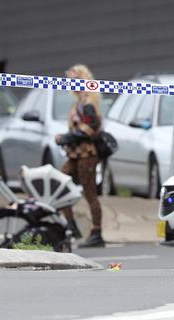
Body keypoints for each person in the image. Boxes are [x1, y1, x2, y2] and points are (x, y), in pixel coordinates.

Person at [59, 65, 105, 248]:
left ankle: (96, 232)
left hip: (86, 154)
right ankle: (72, 226)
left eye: (75, 79)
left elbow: (91, 127)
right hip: (74, 154)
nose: (71, 84)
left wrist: (66, 137)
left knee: (90, 192)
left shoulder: (88, 102)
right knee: (61, 186)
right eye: (70, 80)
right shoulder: (78, 103)